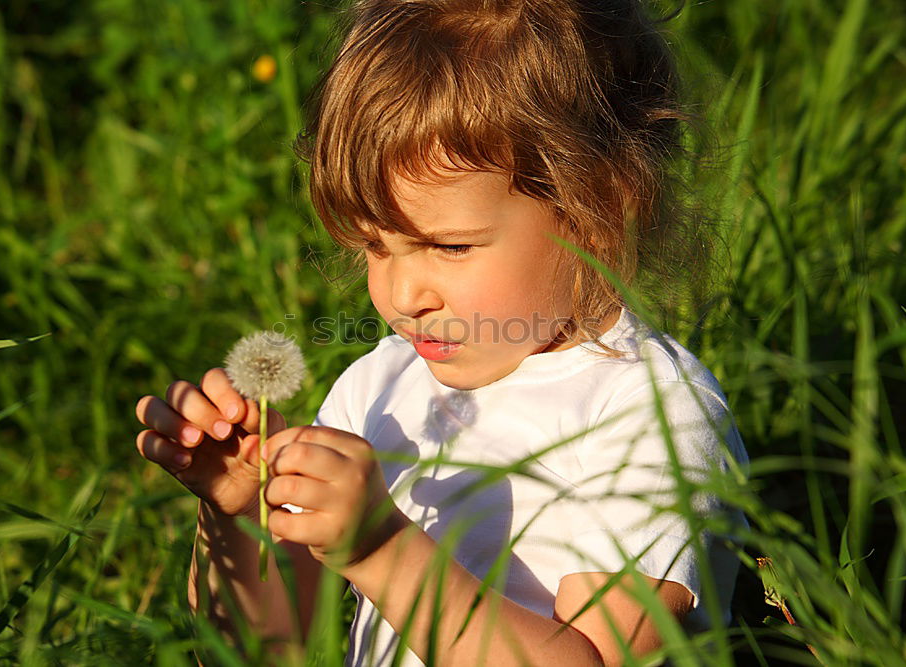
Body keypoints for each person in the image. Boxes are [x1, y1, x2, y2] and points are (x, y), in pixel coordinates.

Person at [135, 0, 749, 664]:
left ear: (598, 209)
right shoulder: (380, 384)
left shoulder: (649, 413)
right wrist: (238, 514)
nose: (403, 295)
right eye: (374, 244)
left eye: (450, 246)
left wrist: (382, 550)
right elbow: (268, 647)